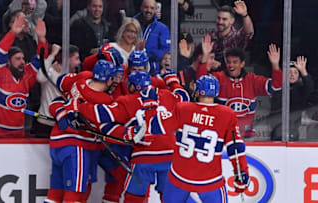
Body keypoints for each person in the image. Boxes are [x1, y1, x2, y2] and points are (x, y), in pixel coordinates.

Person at [66, 70, 189, 202]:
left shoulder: (127, 101)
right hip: (170, 155)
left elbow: (102, 114)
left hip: (143, 157)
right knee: (170, 198)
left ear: (134, 86)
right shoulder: (167, 95)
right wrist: (172, 80)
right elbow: (183, 97)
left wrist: (79, 106)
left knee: (133, 198)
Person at [141, 75, 249, 202]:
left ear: (197, 90)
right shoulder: (227, 114)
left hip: (179, 177)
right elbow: (236, 148)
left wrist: (150, 105)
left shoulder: (183, 108)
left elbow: (154, 126)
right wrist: (241, 172)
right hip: (210, 181)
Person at [44, 59, 124, 203]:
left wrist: (61, 112)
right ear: (109, 79)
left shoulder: (80, 81)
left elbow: (58, 95)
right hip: (77, 147)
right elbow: (107, 126)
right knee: (74, 195)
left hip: (56, 143)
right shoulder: (104, 100)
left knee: (54, 193)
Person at [197, 35, 282, 138]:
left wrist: (275, 65)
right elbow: (201, 82)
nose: (231, 65)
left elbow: (276, 86)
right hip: (223, 132)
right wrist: (205, 56)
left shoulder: (252, 80)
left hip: (246, 134)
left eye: (235, 62)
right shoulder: (219, 78)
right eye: (228, 62)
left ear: (242, 64)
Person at [0, 16, 48, 138]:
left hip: (18, 134)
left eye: (23, 58)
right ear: (8, 62)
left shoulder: (27, 76)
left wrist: (41, 38)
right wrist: (13, 33)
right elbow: (0, 52)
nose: (22, 62)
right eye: (18, 59)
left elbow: (41, 59)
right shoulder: (0, 73)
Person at [269, 56, 314, 141]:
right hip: (276, 129)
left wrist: (303, 71)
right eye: (289, 72)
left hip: (294, 130)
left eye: (295, 72)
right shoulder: (277, 88)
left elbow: (310, 88)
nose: (292, 75)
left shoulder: (301, 90)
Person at [209, 1, 254, 71]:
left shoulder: (236, 37)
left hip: (232, 76)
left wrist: (245, 15)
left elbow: (248, 33)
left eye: (224, 19)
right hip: (213, 76)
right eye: (218, 18)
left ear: (232, 21)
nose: (220, 22)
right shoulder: (211, 35)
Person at [133, 0, 170, 76]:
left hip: (154, 73)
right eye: (146, 7)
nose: (148, 10)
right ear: (141, 8)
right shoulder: (132, 24)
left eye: (152, 8)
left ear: (156, 10)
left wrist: (146, 54)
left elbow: (165, 51)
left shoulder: (162, 28)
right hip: (133, 69)